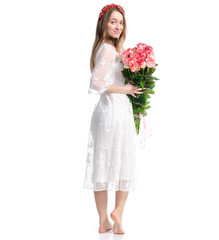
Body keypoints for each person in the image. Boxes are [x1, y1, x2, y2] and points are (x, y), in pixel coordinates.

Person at [84, 3, 144, 234]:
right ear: (104, 24)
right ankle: (117, 212)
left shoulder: (105, 48)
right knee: (122, 162)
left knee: (103, 163)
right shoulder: (108, 49)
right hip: (114, 111)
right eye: (113, 21)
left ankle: (104, 220)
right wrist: (126, 89)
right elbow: (96, 83)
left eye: (121, 22)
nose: (118, 26)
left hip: (110, 113)